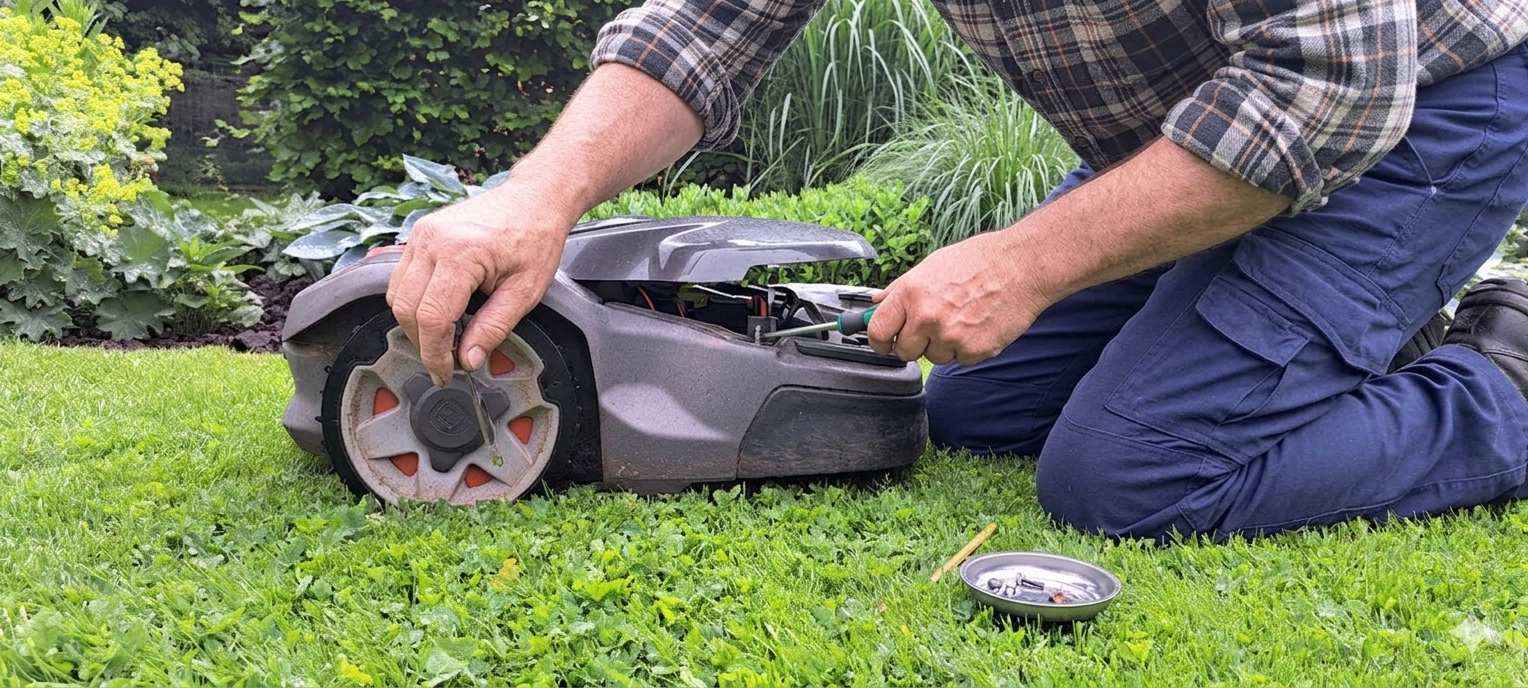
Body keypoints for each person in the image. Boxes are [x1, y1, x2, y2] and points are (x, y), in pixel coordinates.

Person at [386, 0, 1528, 539]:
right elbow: (704, 29)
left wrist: (1025, 262)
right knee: (971, 410)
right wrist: (535, 194)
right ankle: (1348, 331)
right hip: (1195, 142)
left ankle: (1503, 385)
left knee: (1130, 480)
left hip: (1424, 118)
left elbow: (1328, 86)